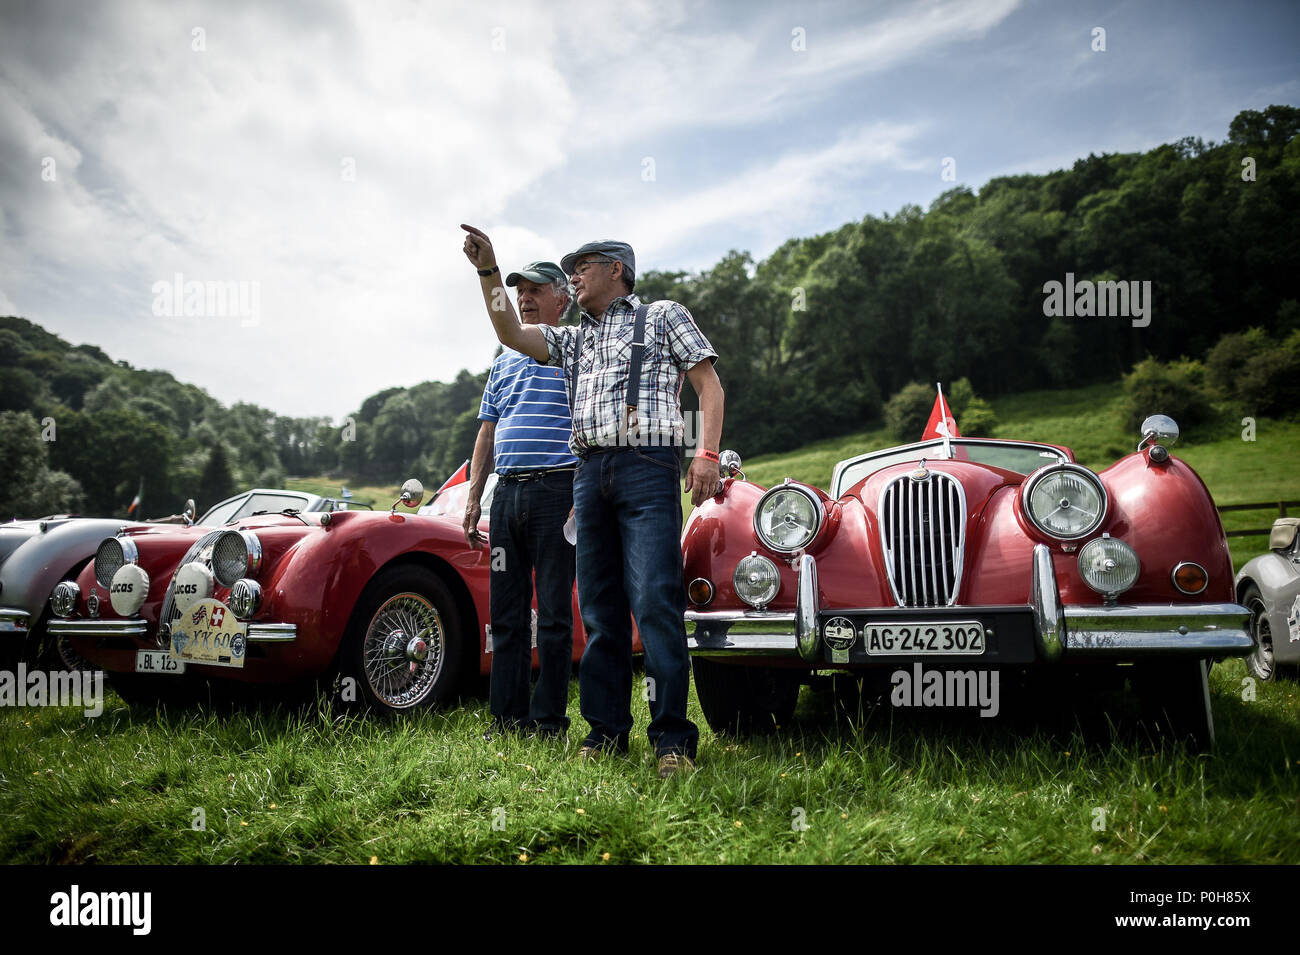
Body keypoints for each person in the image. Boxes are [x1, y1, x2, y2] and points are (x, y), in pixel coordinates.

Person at [461, 224, 725, 779]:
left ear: (618, 271)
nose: (574, 273)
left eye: (584, 264)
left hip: (647, 467)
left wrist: (706, 453)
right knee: (600, 611)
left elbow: (708, 385)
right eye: (571, 266)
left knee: (654, 601)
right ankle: (605, 732)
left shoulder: (662, 315)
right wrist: (488, 271)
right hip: (588, 473)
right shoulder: (573, 339)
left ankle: (672, 741)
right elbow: (510, 330)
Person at [464, 260, 578, 741]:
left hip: (559, 491)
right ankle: (506, 720)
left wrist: (583, 493)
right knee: (506, 615)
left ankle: (548, 721)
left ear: (563, 299)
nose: (526, 298)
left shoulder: (576, 350)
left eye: (536, 291)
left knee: (553, 615)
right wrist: (474, 495)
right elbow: (487, 430)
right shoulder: (503, 359)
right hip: (506, 496)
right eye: (521, 292)